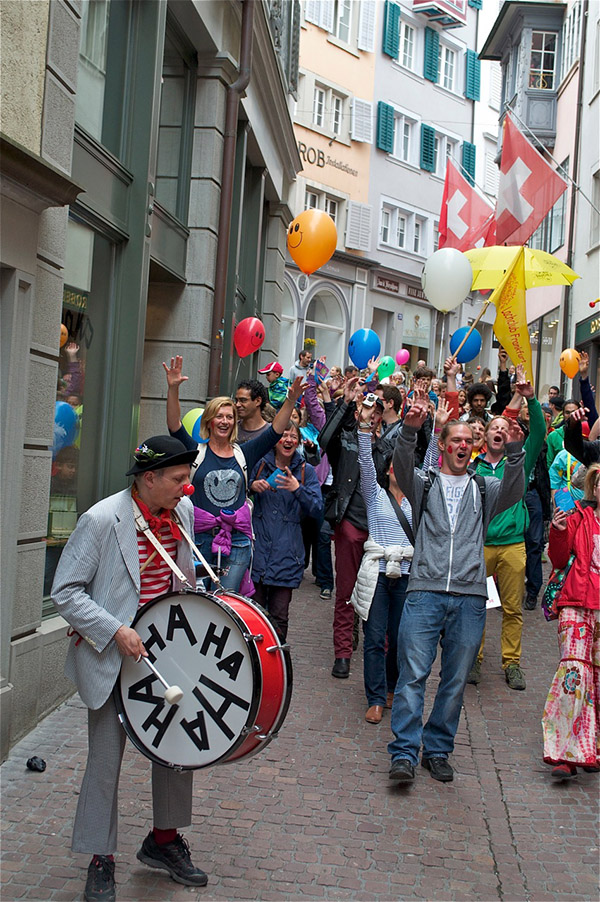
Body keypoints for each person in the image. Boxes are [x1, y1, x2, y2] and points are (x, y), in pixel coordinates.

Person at [51, 436, 208, 902]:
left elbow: (184, 580)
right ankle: (101, 858)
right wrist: (115, 629)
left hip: (167, 653)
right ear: (149, 478)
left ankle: (163, 841)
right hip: (112, 654)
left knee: (176, 751)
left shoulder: (183, 514)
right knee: (105, 762)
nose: (186, 489)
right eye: (178, 480)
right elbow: (65, 592)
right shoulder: (100, 520)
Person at [388, 402, 525, 784]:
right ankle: (403, 753)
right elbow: (401, 467)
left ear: (473, 448)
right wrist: (409, 431)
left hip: (469, 598)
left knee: (454, 679)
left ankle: (437, 750)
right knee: (413, 675)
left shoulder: (485, 486)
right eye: (456, 440)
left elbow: (515, 490)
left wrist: (515, 452)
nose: (463, 445)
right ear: (445, 446)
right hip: (424, 592)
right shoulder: (425, 482)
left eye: (469, 441)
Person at [164, 356, 305, 592]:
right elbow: (174, 426)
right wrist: (173, 389)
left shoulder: (244, 453)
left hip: (237, 541)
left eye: (230, 417)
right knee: (197, 601)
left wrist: (290, 400)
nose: (225, 421)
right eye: (219, 416)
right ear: (209, 420)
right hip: (199, 539)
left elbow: (275, 432)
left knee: (226, 603)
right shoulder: (195, 452)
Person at [469, 368, 545, 690]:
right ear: (485, 436)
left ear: (510, 435)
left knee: (512, 609)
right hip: (483, 546)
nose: (499, 430)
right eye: (494, 427)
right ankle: (474, 658)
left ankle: (511, 663)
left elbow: (539, 432)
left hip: (514, 545)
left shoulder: (521, 463)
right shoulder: (473, 466)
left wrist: (530, 397)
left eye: (504, 427)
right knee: (478, 607)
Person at [352, 391, 416, 724]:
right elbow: (364, 460)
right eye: (391, 463)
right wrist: (365, 427)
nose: (395, 467)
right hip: (378, 572)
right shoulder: (375, 494)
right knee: (375, 636)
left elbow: (433, 460)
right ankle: (375, 696)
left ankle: (392, 686)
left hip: (407, 573)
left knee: (399, 636)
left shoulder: (417, 500)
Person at [542, 463, 600, 780]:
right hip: (577, 604)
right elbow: (560, 559)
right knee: (574, 676)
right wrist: (559, 530)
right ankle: (565, 752)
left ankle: (591, 747)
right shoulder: (579, 516)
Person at [250, 422, 322, 640]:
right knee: (255, 615)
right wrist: (251, 486)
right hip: (258, 552)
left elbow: (318, 508)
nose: (289, 440)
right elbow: (238, 490)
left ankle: (277, 662)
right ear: (275, 440)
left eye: (293, 437)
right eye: (284, 435)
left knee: (280, 616)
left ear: (298, 442)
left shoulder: (305, 471)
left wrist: (297, 489)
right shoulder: (260, 464)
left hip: (287, 554)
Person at [318, 376, 369, 679]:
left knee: (376, 594)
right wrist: (345, 403)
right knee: (346, 591)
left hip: (381, 526)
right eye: (363, 405)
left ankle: (368, 638)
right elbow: (324, 440)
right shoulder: (346, 438)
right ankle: (343, 652)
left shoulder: (388, 439)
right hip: (350, 520)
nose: (369, 411)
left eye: (375, 406)